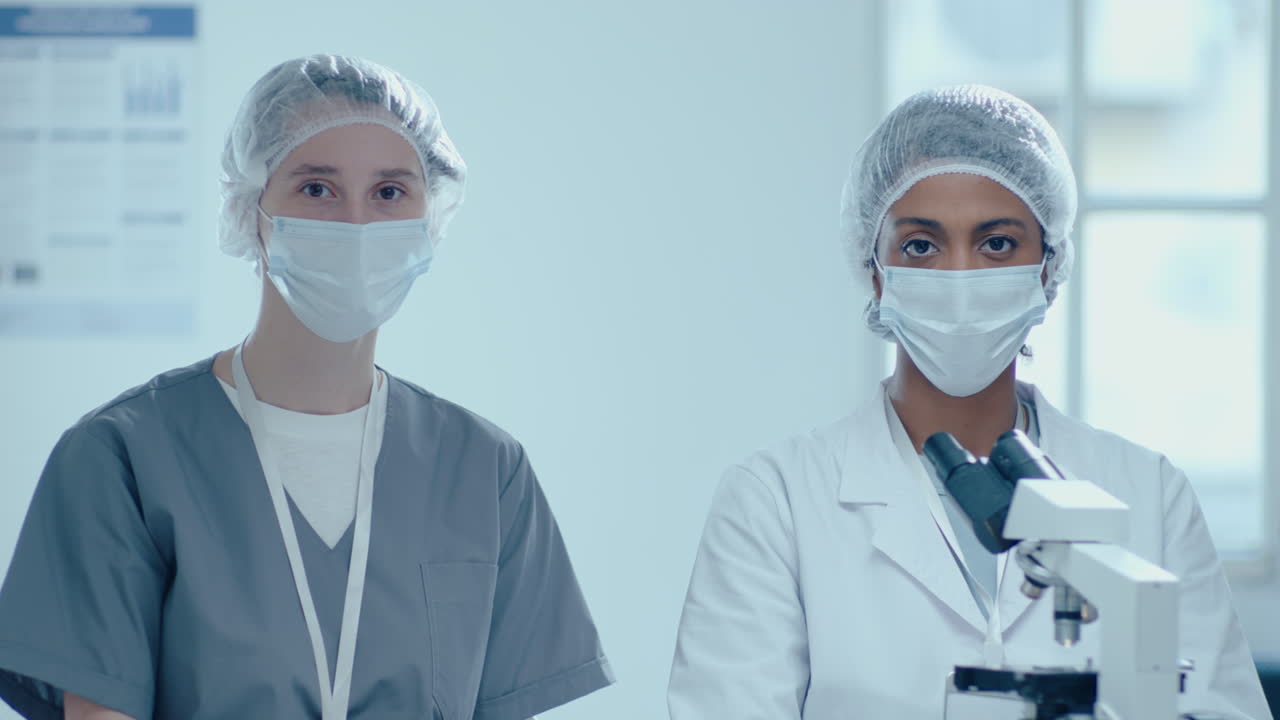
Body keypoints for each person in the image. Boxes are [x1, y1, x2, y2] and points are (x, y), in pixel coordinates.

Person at [0, 54, 613, 720]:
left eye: (389, 193)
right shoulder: (121, 459)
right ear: (251, 208)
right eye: (317, 189)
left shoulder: (484, 471)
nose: (355, 226)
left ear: (428, 218)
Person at [667, 85, 1271, 719]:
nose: (960, 278)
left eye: (998, 244)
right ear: (875, 268)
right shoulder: (777, 500)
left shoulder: (1148, 492)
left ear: (1048, 265)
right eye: (922, 246)